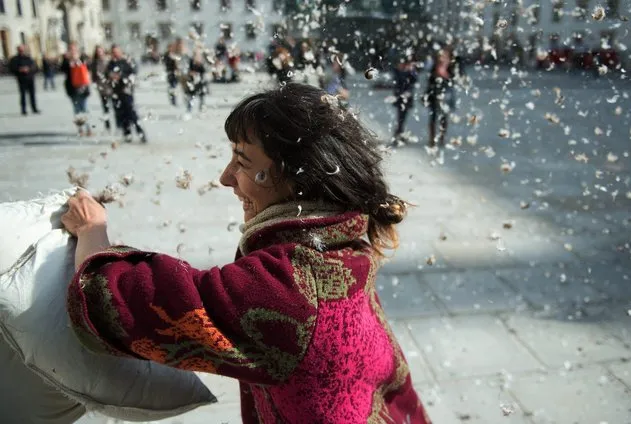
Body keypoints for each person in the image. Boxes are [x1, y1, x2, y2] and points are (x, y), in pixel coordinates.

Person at [60, 83, 431, 424]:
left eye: (242, 162)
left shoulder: (288, 289)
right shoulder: (346, 248)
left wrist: (92, 231)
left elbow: (112, 299)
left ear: (296, 178)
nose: (224, 177)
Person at [424, 46, 459, 164]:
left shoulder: (451, 66)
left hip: (446, 95)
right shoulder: (433, 66)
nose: (442, 58)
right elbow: (428, 80)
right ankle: (432, 139)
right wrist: (435, 74)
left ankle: (442, 138)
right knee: (433, 117)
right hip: (434, 95)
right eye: (440, 55)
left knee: (444, 118)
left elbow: (454, 79)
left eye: (444, 55)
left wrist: (445, 75)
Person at [107, 44, 147, 143]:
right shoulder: (111, 63)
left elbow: (133, 72)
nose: (115, 54)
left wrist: (121, 76)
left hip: (126, 91)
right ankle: (127, 133)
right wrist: (111, 76)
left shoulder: (126, 61)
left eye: (117, 52)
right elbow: (107, 74)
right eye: (113, 52)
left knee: (131, 113)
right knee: (120, 113)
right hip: (116, 92)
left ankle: (140, 132)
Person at [61, 42, 92, 136]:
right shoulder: (66, 60)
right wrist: (67, 61)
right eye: (71, 49)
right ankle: (80, 129)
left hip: (83, 88)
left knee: (85, 108)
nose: (73, 51)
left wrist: (78, 60)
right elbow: (62, 70)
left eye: (74, 49)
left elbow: (88, 66)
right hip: (72, 88)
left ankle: (88, 128)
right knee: (76, 109)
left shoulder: (82, 57)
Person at [391, 57, 418, 146]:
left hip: (407, 97)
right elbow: (398, 82)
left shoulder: (410, 72)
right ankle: (398, 135)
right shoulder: (398, 71)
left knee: (402, 117)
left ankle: (399, 134)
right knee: (401, 117)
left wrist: (411, 70)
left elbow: (414, 81)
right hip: (400, 97)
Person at [8, 44, 40, 115]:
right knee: (23, 95)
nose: (22, 51)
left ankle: (34, 108)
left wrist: (29, 69)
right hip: (21, 79)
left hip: (30, 78)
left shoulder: (29, 58)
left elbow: (35, 67)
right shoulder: (15, 59)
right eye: (20, 50)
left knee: (32, 95)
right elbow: (12, 69)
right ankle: (23, 110)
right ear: (18, 50)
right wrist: (20, 70)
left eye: (23, 50)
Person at [91, 45, 114, 131]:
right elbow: (93, 75)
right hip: (101, 87)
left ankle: (119, 123)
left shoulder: (108, 60)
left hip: (111, 86)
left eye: (101, 51)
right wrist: (95, 83)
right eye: (98, 51)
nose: (99, 53)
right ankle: (107, 124)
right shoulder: (94, 62)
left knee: (115, 106)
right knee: (105, 107)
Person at [163, 41, 181, 106]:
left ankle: (174, 99)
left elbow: (178, 63)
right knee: (172, 86)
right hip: (170, 73)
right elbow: (166, 63)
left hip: (175, 73)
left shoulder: (174, 54)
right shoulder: (166, 55)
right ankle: (172, 100)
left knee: (174, 87)